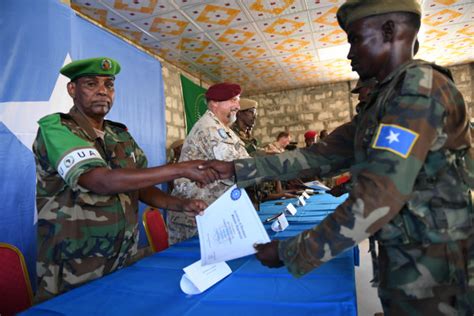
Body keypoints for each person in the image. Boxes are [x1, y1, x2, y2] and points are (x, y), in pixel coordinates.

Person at [204, 1, 473, 313]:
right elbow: (314, 158)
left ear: (389, 31)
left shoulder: (419, 89)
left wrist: (292, 252)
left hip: (436, 270)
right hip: (409, 259)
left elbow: (378, 195)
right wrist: (233, 169)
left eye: (355, 39)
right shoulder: (385, 102)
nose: (349, 54)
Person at [33, 57, 218, 301]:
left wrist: (179, 205)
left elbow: (140, 186)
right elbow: (100, 181)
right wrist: (180, 169)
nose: (102, 91)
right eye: (91, 84)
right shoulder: (57, 129)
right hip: (74, 271)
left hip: (122, 261)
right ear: (72, 90)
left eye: (109, 85)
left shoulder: (120, 135)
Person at [168, 82, 249, 245]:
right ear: (214, 104)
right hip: (196, 218)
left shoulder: (224, 129)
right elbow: (238, 167)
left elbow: (246, 161)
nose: (238, 106)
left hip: (211, 212)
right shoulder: (210, 128)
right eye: (233, 100)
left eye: (238, 101)